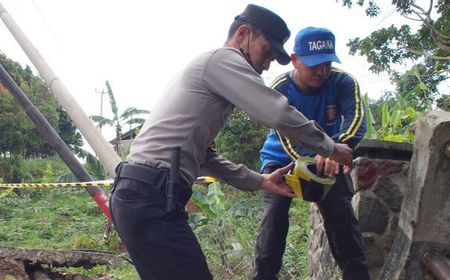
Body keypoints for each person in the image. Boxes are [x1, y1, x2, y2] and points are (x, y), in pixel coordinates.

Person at [109, 5, 354, 279]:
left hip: (143, 195)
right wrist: (331, 148)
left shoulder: (211, 75)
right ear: (243, 34)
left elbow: (205, 156)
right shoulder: (222, 60)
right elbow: (276, 112)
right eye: (266, 52)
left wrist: (259, 181)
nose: (267, 63)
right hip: (149, 195)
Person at [254, 27, 370, 280]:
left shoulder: (343, 82)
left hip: (328, 160)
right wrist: (322, 152)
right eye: (314, 65)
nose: (322, 71)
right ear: (295, 60)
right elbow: (286, 136)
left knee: (343, 221)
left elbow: (356, 121)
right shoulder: (280, 88)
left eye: (327, 64)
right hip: (281, 160)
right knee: (274, 220)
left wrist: (334, 151)